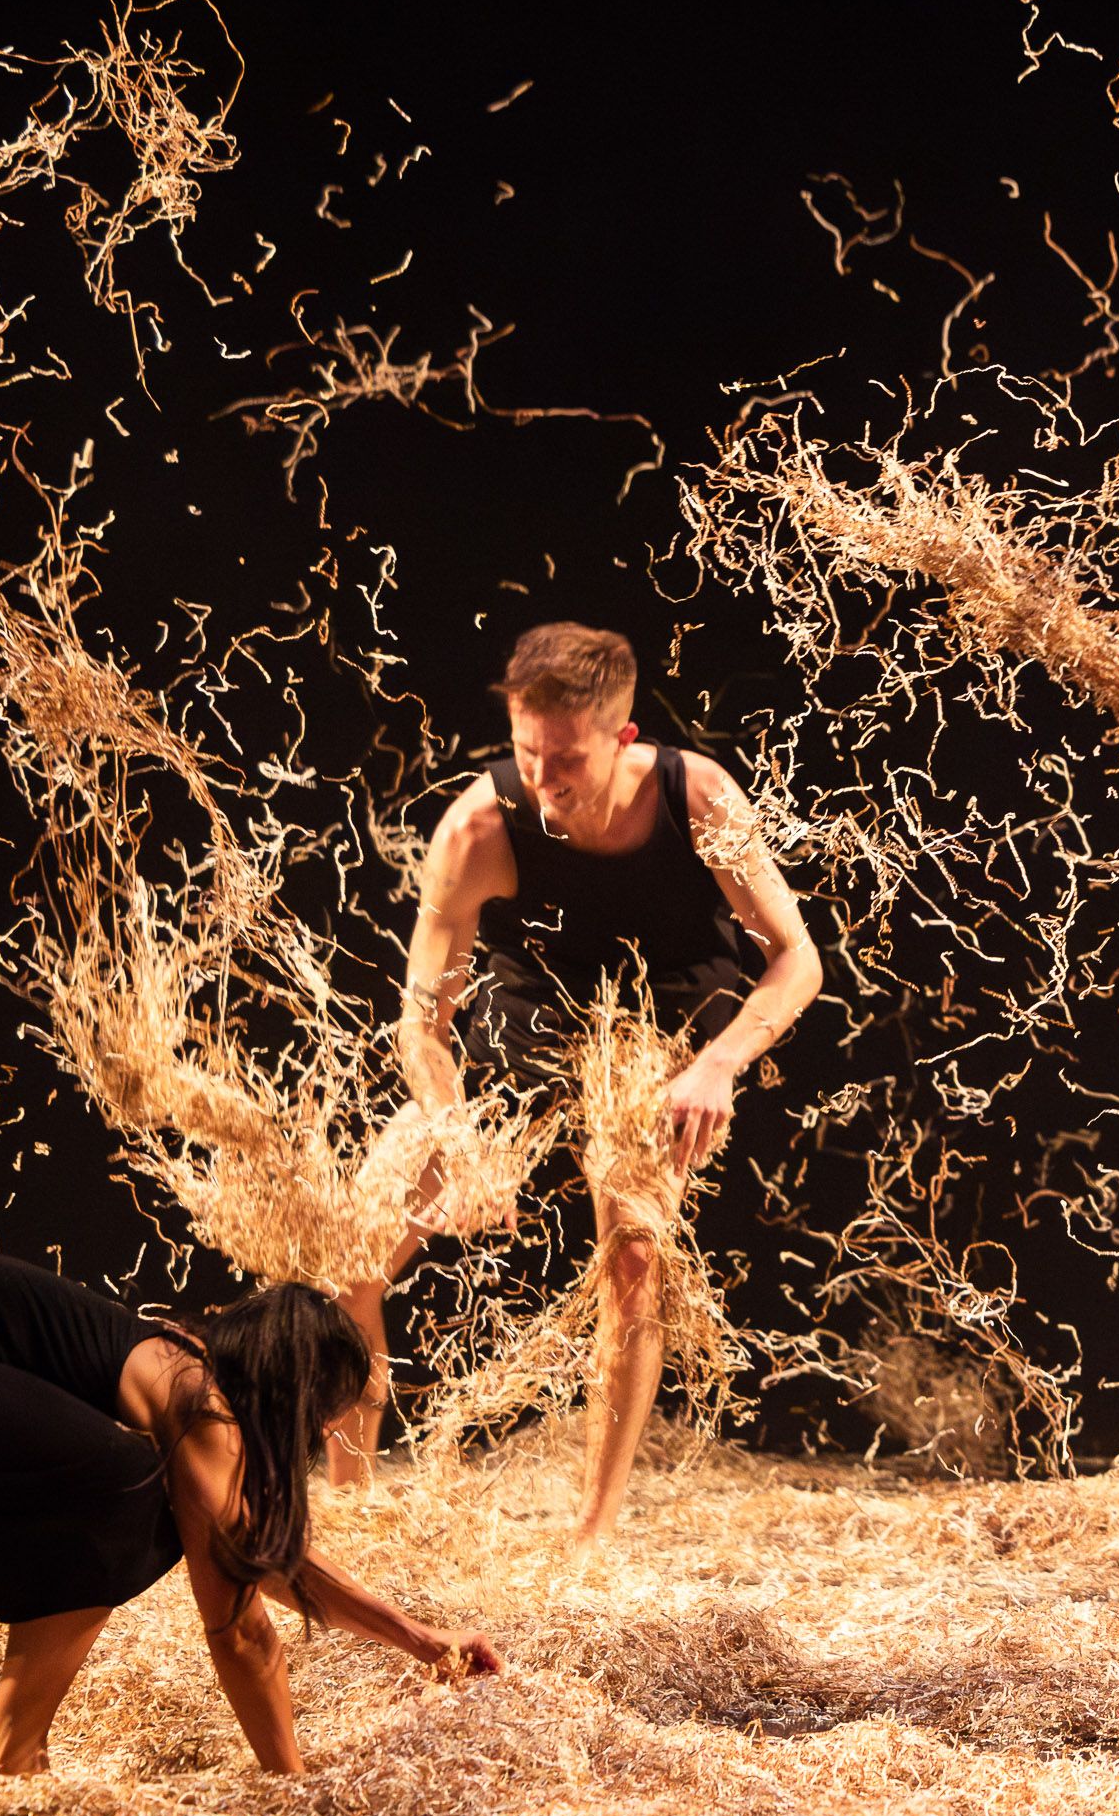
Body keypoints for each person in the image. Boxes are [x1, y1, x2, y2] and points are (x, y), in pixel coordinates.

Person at [339, 623, 823, 1538]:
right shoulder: (479, 826)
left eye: (565, 760)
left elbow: (797, 959)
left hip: (665, 1031)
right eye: (527, 754)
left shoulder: (700, 796)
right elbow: (421, 1022)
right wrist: (454, 1133)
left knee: (633, 1253)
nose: (545, 779)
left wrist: (718, 1065)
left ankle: (591, 1538)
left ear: (623, 739)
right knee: (350, 1256)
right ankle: (351, 1509)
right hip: (530, 1023)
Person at [0, 1236, 500, 1774]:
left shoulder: (184, 1367)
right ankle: (8, 1755)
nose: (326, 1435)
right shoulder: (200, 1404)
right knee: (129, 1500)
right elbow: (239, 1629)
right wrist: (291, 1785)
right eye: (329, 1413)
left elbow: (258, 1547)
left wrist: (424, 1642)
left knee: (121, 1491)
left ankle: (13, 1748)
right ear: (295, 1393)